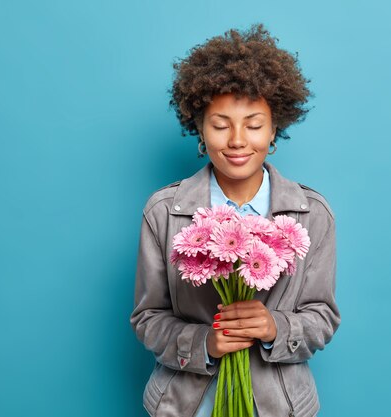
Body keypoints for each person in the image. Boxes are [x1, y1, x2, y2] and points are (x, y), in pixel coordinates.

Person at [130, 23, 340, 417]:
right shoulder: (163, 211)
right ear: (200, 128)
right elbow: (148, 317)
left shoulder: (312, 214)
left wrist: (275, 326)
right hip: (186, 406)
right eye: (221, 125)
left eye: (254, 125)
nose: (238, 140)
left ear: (275, 127)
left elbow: (323, 317)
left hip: (280, 407)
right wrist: (204, 343)